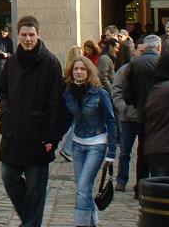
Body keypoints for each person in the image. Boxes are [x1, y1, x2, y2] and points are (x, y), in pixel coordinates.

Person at [0, 16, 67, 227]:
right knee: (8, 175)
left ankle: (30, 224)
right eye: (24, 35)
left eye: (31, 35)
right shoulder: (12, 62)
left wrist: (52, 137)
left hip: (39, 135)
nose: (28, 39)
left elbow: (57, 104)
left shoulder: (50, 63)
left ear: (38, 35)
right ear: (17, 36)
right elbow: (3, 92)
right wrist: (5, 116)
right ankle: (30, 221)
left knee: (36, 188)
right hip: (13, 132)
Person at [64, 55, 118, 227]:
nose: (79, 72)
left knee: (82, 188)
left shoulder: (100, 93)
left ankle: (81, 224)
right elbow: (65, 118)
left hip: (97, 142)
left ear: (88, 72)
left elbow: (111, 121)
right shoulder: (68, 93)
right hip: (78, 143)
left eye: (82, 69)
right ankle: (91, 220)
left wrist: (111, 153)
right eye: (76, 69)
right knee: (82, 187)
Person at [122, 33, 161, 199]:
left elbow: (127, 92)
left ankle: (141, 187)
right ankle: (158, 186)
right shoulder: (162, 63)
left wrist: (136, 103)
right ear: (159, 48)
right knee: (159, 151)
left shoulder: (134, 63)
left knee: (142, 151)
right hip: (160, 115)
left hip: (141, 114)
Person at [112, 43, 145, 192]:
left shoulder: (150, 70)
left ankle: (141, 181)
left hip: (145, 117)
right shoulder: (124, 70)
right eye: (141, 51)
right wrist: (123, 108)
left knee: (143, 152)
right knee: (125, 151)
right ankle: (121, 180)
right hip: (128, 118)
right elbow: (116, 90)